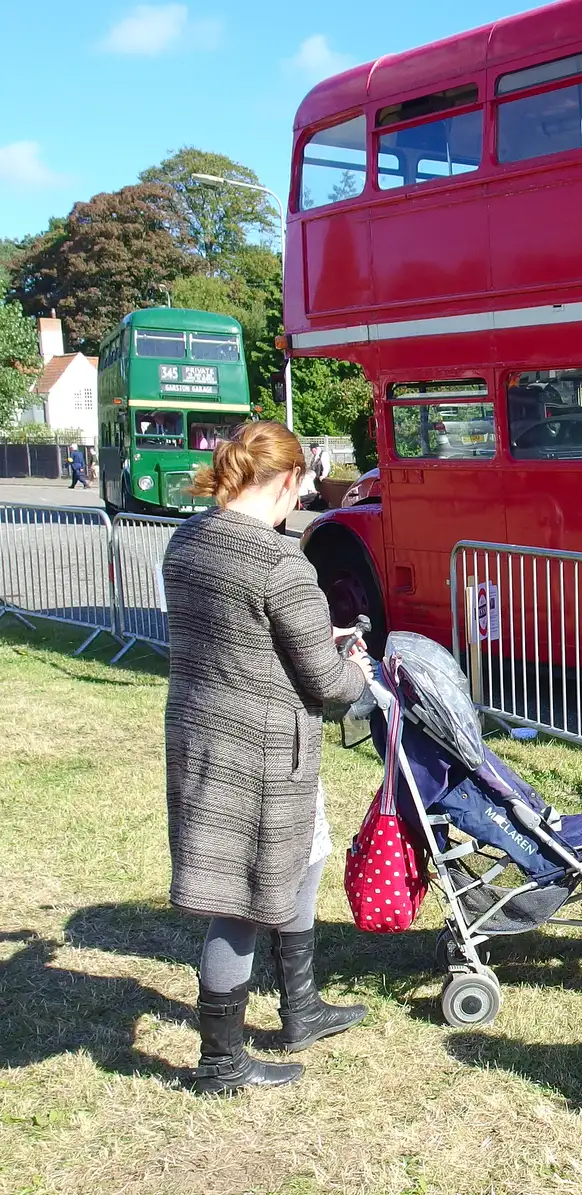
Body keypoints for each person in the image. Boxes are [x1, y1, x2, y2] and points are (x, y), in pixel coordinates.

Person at [162, 420, 374, 1096]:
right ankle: (221, 1061)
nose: (301, 500)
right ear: (285, 481)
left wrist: (319, 635)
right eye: (302, 488)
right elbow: (329, 687)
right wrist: (356, 666)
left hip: (203, 732)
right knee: (243, 899)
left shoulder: (187, 539)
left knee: (305, 856)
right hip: (258, 751)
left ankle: (301, 1007)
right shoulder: (279, 562)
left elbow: (242, 636)